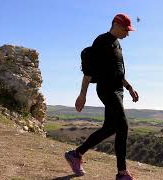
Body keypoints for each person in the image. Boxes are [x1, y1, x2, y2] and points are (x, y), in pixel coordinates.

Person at [64, 13, 139, 180]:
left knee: (110, 128)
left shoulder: (117, 44)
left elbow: (118, 72)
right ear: (116, 25)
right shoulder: (101, 41)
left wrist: (129, 87)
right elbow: (89, 71)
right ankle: (122, 173)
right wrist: (82, 95)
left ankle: (76, 154)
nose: (127, 34)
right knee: (123, 126)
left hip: (118, 90)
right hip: (106, 89)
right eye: (126, 30)